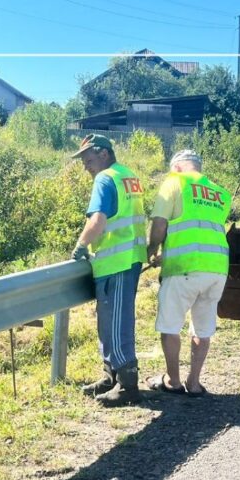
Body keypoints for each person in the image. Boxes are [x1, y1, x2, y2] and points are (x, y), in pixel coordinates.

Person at [146, 149, 232, 397]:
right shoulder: (220, 193)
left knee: (170, 326)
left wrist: (152, 250)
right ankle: (194, 383)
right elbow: (199, 230)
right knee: (203, 329)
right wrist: (169, 253)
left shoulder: (174, 181)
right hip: (217, 269)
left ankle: (172, 381)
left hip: (183, 269)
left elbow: (161, 223)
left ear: (176, 167)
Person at [70, 134, 147, 407]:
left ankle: (127, 384)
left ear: (103, 153)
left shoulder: (105, 178)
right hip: (130, 258)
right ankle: (110, 375)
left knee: (116, 322)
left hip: (116, 262)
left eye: (88, 159)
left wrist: (81, 245)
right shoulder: (129, 175)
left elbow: (99, 220)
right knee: (112, 319)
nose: (85, 166)